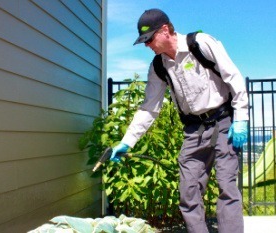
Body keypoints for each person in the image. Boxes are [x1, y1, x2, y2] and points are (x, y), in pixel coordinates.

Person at [110, 8, 248, 233]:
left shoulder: (201, 44)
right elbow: (149, 108)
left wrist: (241, 116)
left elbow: (233, 76)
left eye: (149, 39)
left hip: (224, 122)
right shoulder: (158, 66)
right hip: (194, 130)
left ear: (165, 30)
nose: (147, 45)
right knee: (188, 193)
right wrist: (127, 142)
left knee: (226, 188)